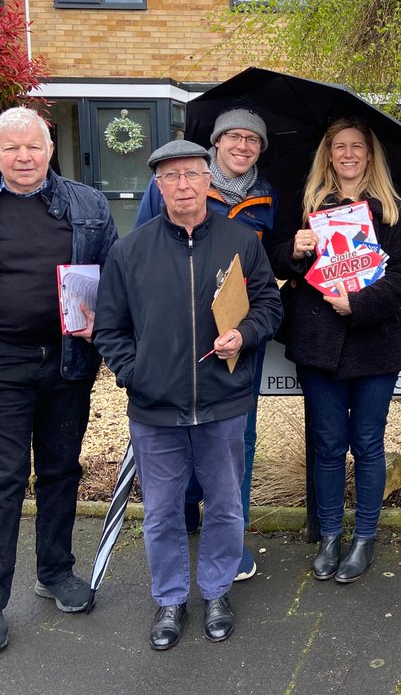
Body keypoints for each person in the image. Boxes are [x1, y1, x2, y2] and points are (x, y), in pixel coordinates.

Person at [0, 107, 118, 655]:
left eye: (32, 146)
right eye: (10, 148)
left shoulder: (87, 204)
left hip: (66, 362)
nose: (23, 157)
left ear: (50, 148)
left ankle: (55, 571)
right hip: (0, 365)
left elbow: (111, 276)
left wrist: (104, 324)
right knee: (3, 481)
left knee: (60, 471)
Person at [94, 139, 282, 651]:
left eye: (192, 175)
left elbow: (268, 305)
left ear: (208, 181)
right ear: (158, 186)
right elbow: (109, 328)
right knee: (161, 510)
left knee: (224, 505)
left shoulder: (243, 243)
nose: (183, 185)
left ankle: (217, 591)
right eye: (172, 176)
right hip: (155, 409)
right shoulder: (131, 251)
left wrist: (244, 335)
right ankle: (171, 598)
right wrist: (137, 374)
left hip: (223, 402)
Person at [272, 120, 401, 585]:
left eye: (358, 147)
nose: (349, 154)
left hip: (374, 344)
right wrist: (293, 248)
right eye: (340, 147)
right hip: (318, 344)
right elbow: (276, 258)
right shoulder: (307, 205)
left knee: (368, 445)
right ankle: (332, 535)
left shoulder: (393, 211)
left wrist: (356, 304)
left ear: (370, 156)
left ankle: (364, 538)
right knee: (329, 445)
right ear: (328, 155)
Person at [135, 108, 276, 581]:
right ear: (214, 144)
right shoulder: (181, 181)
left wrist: (295, 258)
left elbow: (268, 270)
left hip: (236, 346)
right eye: (233, 137)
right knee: (178, 440)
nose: (242, 146)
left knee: (237, 442)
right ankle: (189, 522)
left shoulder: (268, 197)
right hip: (176, 345)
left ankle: (230, 542)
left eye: (252, 140)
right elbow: (140, 256)